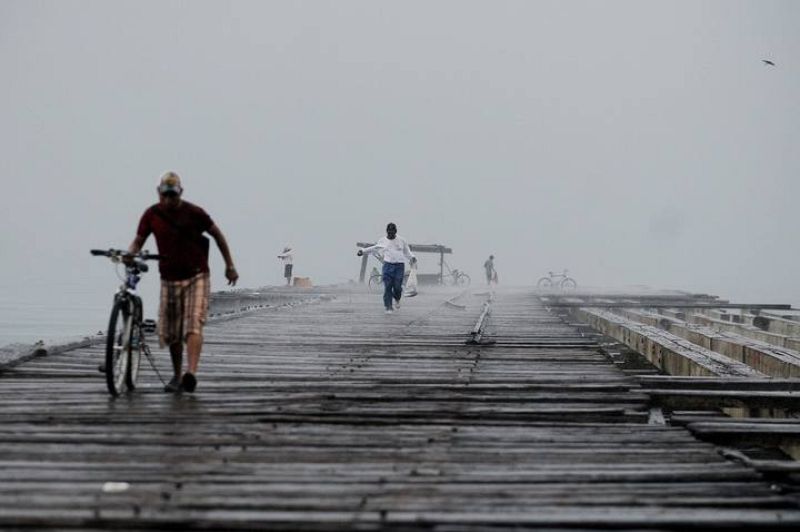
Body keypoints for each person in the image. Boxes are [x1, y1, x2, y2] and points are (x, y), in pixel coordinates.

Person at [127, 172, 238, 393]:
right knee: (172, 332)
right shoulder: (152, 215)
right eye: (165, 195)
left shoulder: (194, 213)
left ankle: (191, 373)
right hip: (169, 278)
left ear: (181, 193)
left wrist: (229, 265)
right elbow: (138, 241)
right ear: (159, 193)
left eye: (173, 196)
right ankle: (177, 376)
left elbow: (217, 235)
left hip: (197, 275)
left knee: (193, 323)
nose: (169, 200)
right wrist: (130, 254)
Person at [357, 222, 416, 314]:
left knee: (397, 286)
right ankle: (388, 307)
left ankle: (397, 298)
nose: (391, 234)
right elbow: (374, 248)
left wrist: (412, 257)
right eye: (389, 232)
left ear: (395, 231)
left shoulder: (402, 240)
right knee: (388, 286)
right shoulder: (382, 241)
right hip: (387, 266)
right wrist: (363, 251)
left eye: (392, 232)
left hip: (399, 266)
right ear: (387, 232)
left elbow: (407, 252)